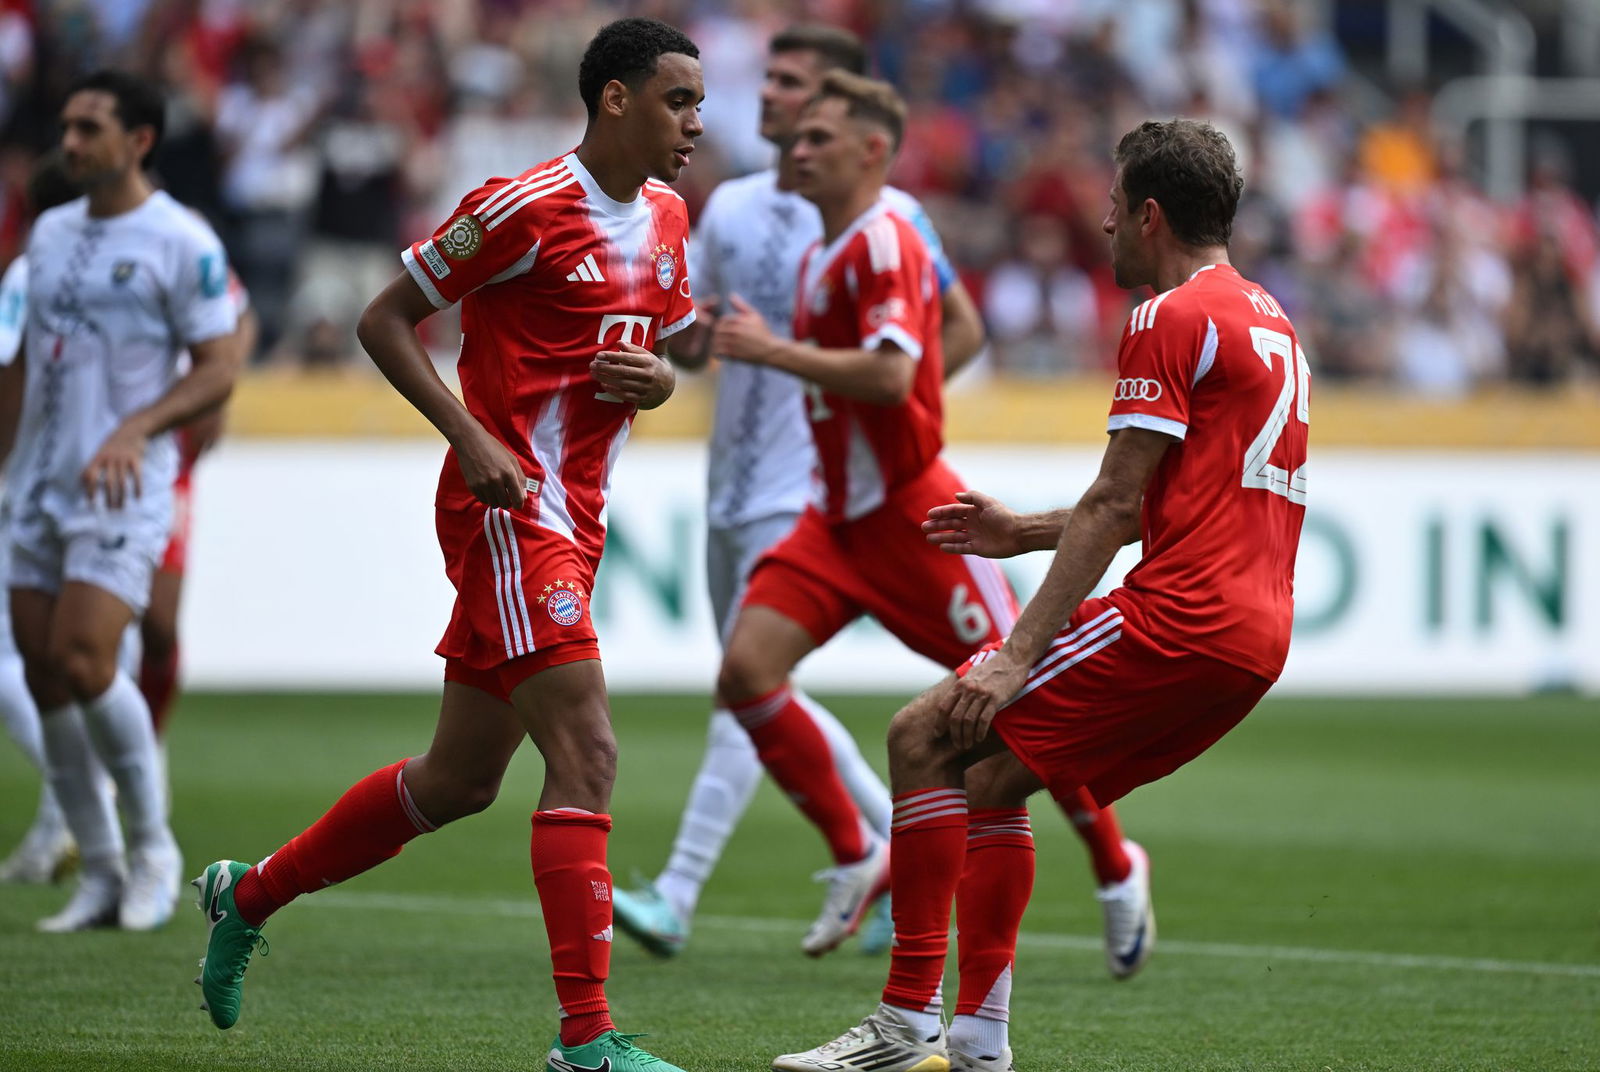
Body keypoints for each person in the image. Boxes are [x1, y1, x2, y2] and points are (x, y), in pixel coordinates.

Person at [190, 19, 703, 1072]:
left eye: (697, 103)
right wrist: (468, 433)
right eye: (677, 101)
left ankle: (246, 893)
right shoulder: (521, 206)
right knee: (589, 752)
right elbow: (387, 318)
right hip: (509, 508)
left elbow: (654, 351)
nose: (695, 122)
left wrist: (662, 380)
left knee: (459, 779)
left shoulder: (666, 216)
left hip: (577, 513)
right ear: (614, 99)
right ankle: (587, 1042)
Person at [773, 117, 1309, 1072]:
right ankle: (978, 1038)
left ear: (1149, 215)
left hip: (1182, 617)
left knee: (923, 734)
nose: (1101, 225)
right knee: (989, 776)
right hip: (1257, 633)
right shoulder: (1270, 321)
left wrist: (1015, 652)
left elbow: (1114, 501)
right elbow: (1176, 501)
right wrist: (1020, 531)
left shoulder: (1166, 316)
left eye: (1110, 206)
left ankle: (905, 1025)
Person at [687, 71, 1148, 970]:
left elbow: (898, 376)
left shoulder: (886, 241)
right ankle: (862, 854)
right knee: (745, 675)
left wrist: (774, 351)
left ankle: (1116, 863)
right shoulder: (824, 251)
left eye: (819, 136)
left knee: (1014, 715)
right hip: (837, 521)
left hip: (919, 521)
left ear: (871, 150)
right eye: (795, 134)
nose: (798, 149)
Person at [611, 23, 990, 961]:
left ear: (842, 109)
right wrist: (685, 343)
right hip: (728, 480)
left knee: (746, 681)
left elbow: (958, 332)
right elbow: (696, 338)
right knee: (747, 682)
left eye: (794, 84)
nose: (771, 97)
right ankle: (874, 853)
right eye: (771, 79)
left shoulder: (888, 215)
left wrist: (886, 407)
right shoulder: (733, 206)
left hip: (809, 483)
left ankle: (685, 888)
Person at [0, 71, 243, 933]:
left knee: (87, 659)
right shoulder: (50, 234)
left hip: (123, 485)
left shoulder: (182, 240)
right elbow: (21, 363)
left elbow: (219, 363)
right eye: (66, 127)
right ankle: (99, 870)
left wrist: (136, 429)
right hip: (36, 486)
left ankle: (153, 850)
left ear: (139, 140)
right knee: (42, 673)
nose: (70, 143)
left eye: (89, 128)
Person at [0, 155, 82, 886]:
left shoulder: (27, 275)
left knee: (9, 666)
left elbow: (8, 375)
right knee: (65, 659)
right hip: (87, 489)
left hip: (21, 490)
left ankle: (79, 802)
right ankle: (62, 821)